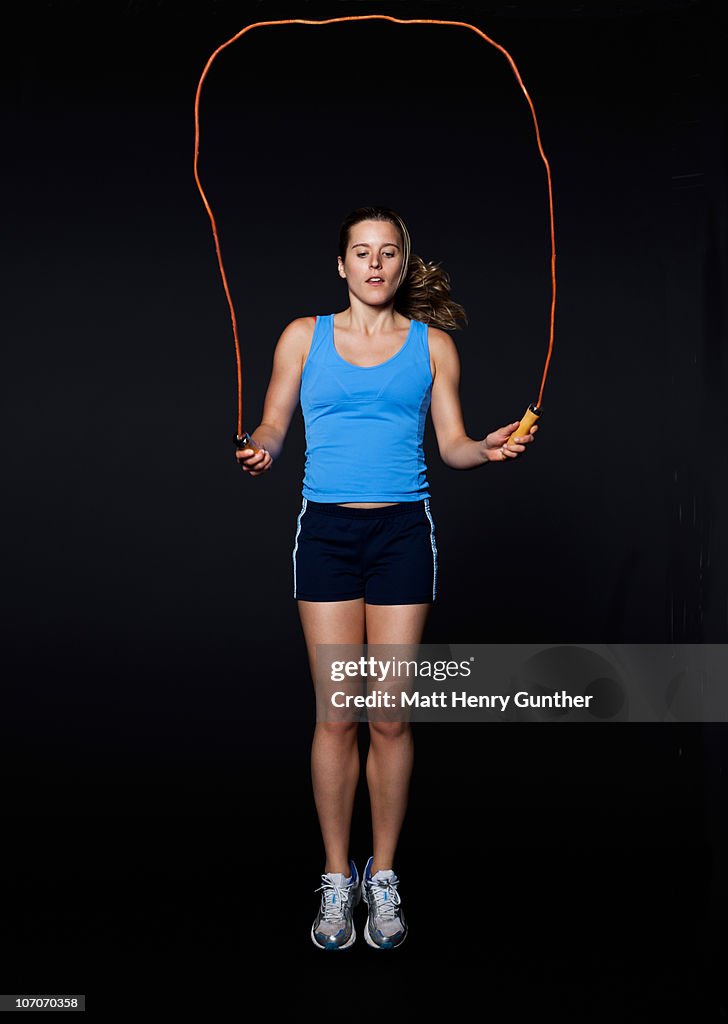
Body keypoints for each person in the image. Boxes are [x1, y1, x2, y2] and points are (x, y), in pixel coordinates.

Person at [235, 206, 538, 950]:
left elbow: (453, 445)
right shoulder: (303, 338)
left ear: (404, 265)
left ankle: (385, 878)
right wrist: (264, 448)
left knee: (390, 716)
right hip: (328, 535)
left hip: (404, 532)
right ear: (341, 265)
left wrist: (487, 449)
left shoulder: (433, 348)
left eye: (389, 252)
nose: (375, 264)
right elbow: (275, 423)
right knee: (338, 714)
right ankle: (337, 879)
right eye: (361, 253)